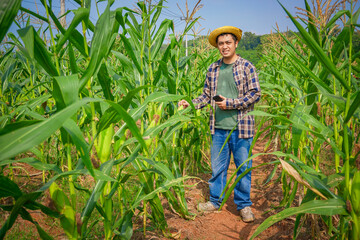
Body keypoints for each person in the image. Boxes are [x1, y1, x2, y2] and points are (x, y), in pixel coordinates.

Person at [178, 26, 261, 222]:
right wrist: (191, 104)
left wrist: (230, 103)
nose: (224, 47)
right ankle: (215, 201)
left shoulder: (247, 66)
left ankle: (244, 205)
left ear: (236, 43)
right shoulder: (213, 68)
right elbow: (206, 95)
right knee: (218, 167)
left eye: (228, 43)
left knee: (243, 167)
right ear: (218, 46)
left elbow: (255, 94)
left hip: (241, 128)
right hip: (218, 128)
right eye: (221, 44)